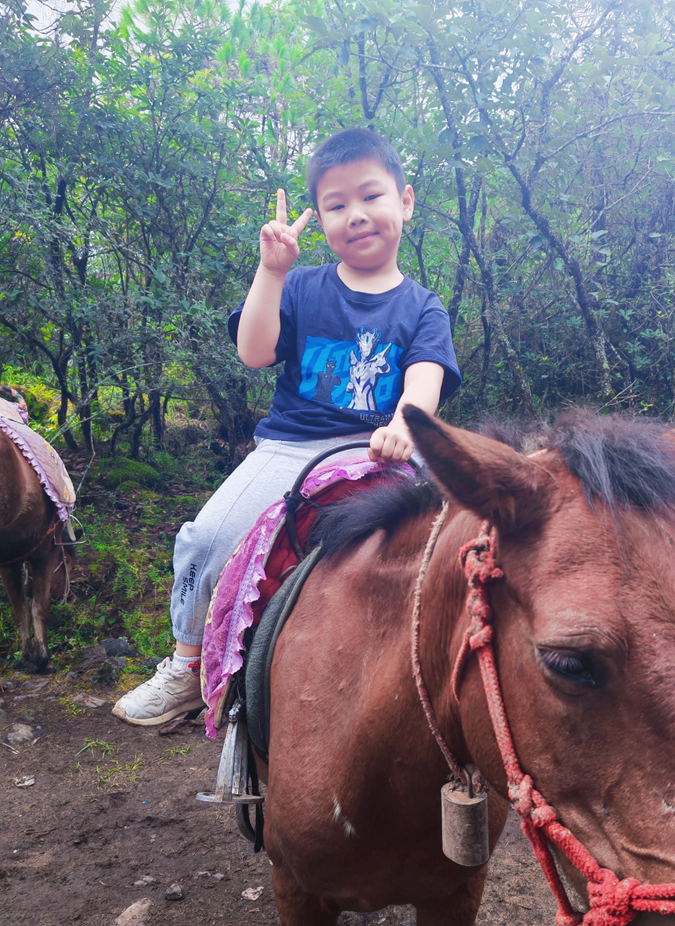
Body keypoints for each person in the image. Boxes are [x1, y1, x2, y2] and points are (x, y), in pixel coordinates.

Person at [112, 128, 461, 726]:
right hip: (293, 449)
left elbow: (423, 386)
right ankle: (186, 663)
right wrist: (271, 271)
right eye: (336, 204)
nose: (356, 214)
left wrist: (406, 422)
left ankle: (464, 676)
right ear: (321, 219)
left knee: (468, 546)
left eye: (371, 196)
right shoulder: (302, 286)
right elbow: (253, 351)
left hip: (385, 450)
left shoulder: (423, 307)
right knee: (203, 539)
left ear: (404, 201)